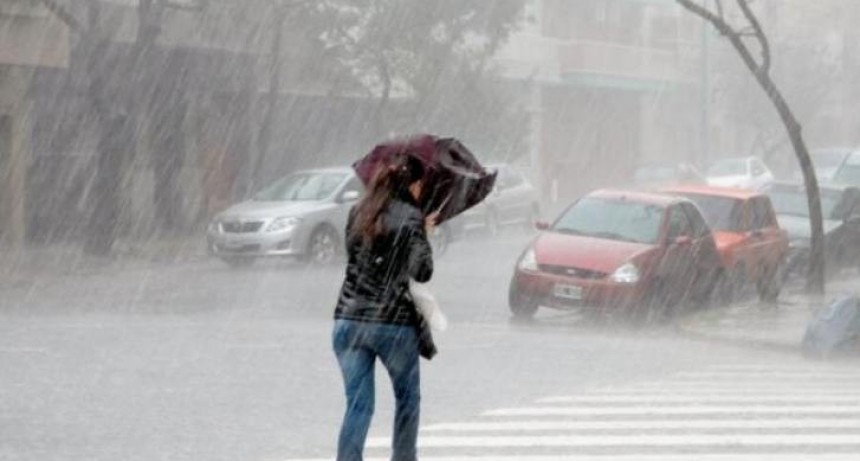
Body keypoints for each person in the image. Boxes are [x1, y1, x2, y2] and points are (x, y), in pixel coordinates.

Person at [333, 153, 436, 461]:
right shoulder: (410, 216)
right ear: (414, 184)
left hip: (347, 320)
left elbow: (355, 255)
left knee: (358, 405)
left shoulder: (358, 211)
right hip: (392, 324)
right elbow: (423, 271)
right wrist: (423, 235)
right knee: (407, 399)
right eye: (422, 186)